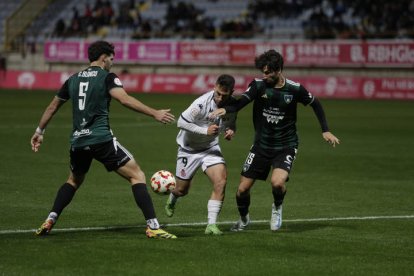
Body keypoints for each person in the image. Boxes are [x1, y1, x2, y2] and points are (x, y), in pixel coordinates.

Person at [31, 40, 177, 239]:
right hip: (101, 139)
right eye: (111, 58)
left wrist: (39, 131)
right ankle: (153, 226)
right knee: (137, 176)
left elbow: (52, 107)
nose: (112, 62)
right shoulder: (107, 77)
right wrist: (154, 113)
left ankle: (50, 219)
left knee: (73, 180)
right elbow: (124, 99)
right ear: (103, 57)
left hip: (78, 142)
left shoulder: (72, 79)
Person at [209, 50, 340, 232]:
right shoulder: (258, 85)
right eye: (263, 71)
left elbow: (315, 103)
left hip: (286, 145)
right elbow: (242, 101)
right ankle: (244, 219)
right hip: (261, 145)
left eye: (268, 72)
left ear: (278, 70)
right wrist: (228, 109)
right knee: (242, 190)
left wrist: (325, 130)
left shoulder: (295, 89)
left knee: (277, 183)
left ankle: (277, 208)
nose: (264, 75)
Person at [165, 74, 237, 235]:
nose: (219, 98)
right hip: (188, 150)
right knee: (182, 190)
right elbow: (181, 122)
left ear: (232, 92)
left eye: (224, 95)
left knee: (221, 181)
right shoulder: (200, 103)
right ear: (214, 87)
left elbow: (230, 122)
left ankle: (211, 225)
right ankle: (173, 197)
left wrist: (230, 130)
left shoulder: (231, 105)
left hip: (210, 149)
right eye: (218, 93)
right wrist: (205, 130)